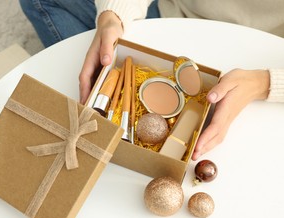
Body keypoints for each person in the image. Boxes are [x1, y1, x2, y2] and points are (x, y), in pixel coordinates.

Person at [19, 0, 284, 160]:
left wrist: (265, 82)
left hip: (255, 57)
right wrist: (113, 17)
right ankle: (100, 89)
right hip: (173, 12)